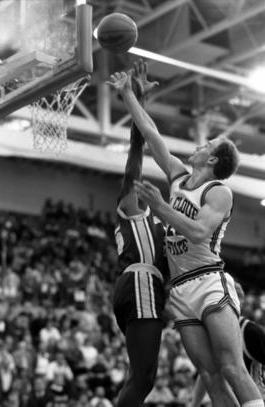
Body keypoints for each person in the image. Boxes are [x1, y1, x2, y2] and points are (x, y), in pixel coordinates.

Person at [107, 60, 264, 407]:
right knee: (209, 376)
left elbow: (198, 231)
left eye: (208, 144)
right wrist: (129, 95)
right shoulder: (179, 177)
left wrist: (161, 207)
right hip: (179, 289)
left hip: (208, 280)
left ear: (212, 161)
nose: (201, 144)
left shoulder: (218, 191)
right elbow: (151, 134)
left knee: (231, 367)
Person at [112, 63, 168, 407]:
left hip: (140, 289)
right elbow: (136, 155)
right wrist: (138, 102)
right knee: (143, 379)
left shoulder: (160, 226)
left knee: (142, 378)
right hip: (140, 284)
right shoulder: (130, 208)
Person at [191, 283, 265, 406]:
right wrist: (194, 404)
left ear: (238, 302)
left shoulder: (251, 332)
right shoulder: (211, 332)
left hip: (255, 399)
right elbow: (206, 372)